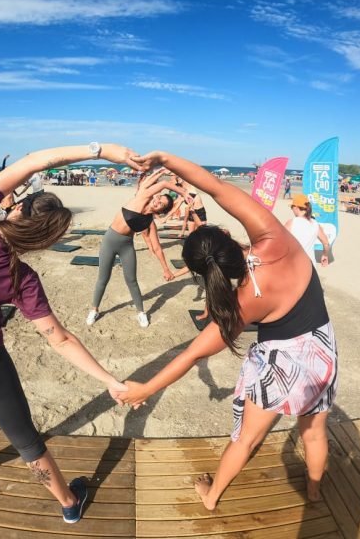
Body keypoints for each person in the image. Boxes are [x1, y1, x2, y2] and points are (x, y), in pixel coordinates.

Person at [0, 142, 138, 523]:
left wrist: (100, 150)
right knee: (24, 437)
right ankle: (68, 503)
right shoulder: (23, 279)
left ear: (17, 209)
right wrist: (109, 380)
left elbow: (36, 160)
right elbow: (60, 338)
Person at [118, 150, 338, 510]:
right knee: (313, 431)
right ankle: (314, 492)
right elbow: (217, 187)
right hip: (321, 348)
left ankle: (211, 496)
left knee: (247, 440)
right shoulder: (275, 239)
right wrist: (163, 160)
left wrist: (145, 387)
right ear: (223, 233)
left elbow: (192, 353)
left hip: (281, 364)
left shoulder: (242, 303)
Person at [85, 167, 182, 328]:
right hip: (109, 241)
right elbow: (157, 182)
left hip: (126, 246)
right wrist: (164, 174)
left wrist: (166, 269)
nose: (158, 202)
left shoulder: (149, 222)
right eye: (159, 199)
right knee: (103, 279)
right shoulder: (141, 197)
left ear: (161, 210)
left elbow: (157, 247)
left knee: (131, 280)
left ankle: (141, 313)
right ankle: (94, 310)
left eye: (162, 205)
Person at [285, 194, 330, 267]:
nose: (292, 210)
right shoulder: (315, 224)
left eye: (291, 207)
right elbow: (326, 243)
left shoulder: (292, 222)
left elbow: (279, 241)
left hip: (295, 265)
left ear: (296, 208)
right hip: (310, 266)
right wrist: (325, 255)